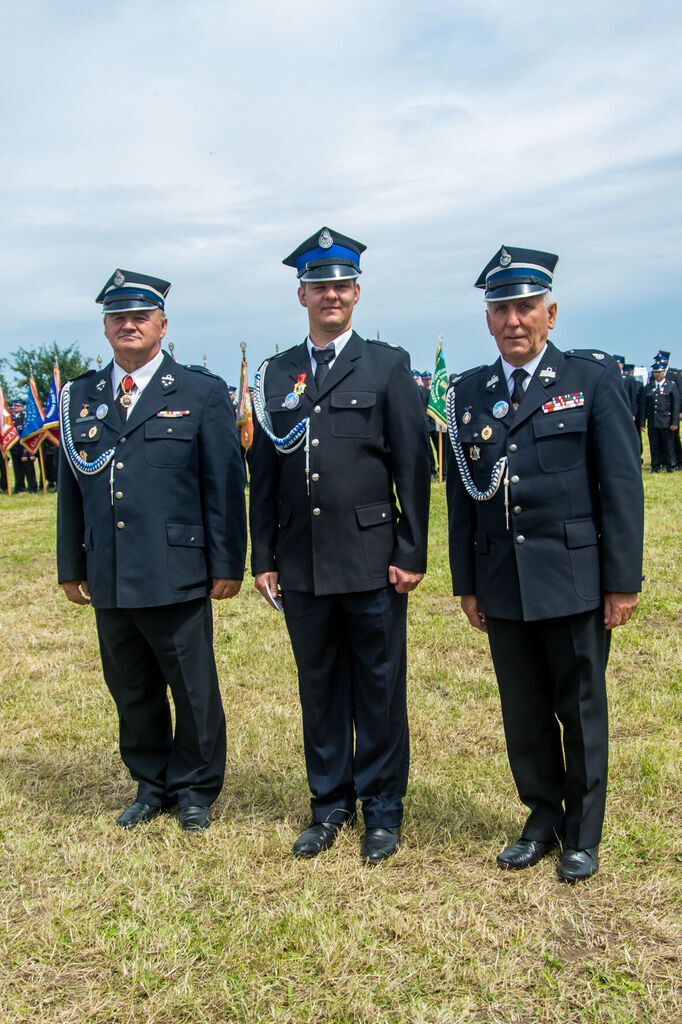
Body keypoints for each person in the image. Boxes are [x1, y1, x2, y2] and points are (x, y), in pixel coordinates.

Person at [446, 245, 644, 882]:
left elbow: (620, 489)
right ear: (488, 319)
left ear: (550, 313)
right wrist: (467, 585)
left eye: (526, 307)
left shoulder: (591, 382)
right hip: (502, 581)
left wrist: (621, 581)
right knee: (523, 710)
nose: (513, 320)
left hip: (575, 580)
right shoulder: (467, 392)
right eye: (501, 308)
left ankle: (583, 832)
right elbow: (460, 501)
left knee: (580, 707)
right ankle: (541, 816)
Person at [249, 227, 430, 863]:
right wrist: (263, 555)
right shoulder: (277, 374)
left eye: (341, 284)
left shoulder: (386, 365)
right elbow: (265, 471)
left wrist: (411, 551)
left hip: (371, 556)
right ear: (301, 294)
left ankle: (381, 809)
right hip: (302, 560)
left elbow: (413, 465)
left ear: (357, 291)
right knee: (319, 685)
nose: (331, 294)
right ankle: (328, 805)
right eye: (319, 285)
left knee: (379, 687)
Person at [57, 269, 247, 830]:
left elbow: (223, 487)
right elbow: (72, 490)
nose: (129, 325)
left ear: (162, 324)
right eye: (118, 316)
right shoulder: (80, 398)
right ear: (106, 328)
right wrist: (73, 564)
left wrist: (226, 563)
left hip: (177, 569)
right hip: (110, 571)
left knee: (191, 686)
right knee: (131, 686)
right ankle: (151, 783)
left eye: (140, 316)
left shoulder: (199, 392)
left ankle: (195, 787)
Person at [639, 357, 680, 472]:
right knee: (654, 446)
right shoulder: (649, 387)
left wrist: (674, 422)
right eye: (655, 372)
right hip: (653, 421)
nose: (658, 374)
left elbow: (675, 406)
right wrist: (642, 422)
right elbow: (644, 406)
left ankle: (670, 465)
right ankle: (655, 466)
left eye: (660, 372)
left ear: (664, 372)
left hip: (666, 421)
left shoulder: (671, 386)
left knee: (668, 445)